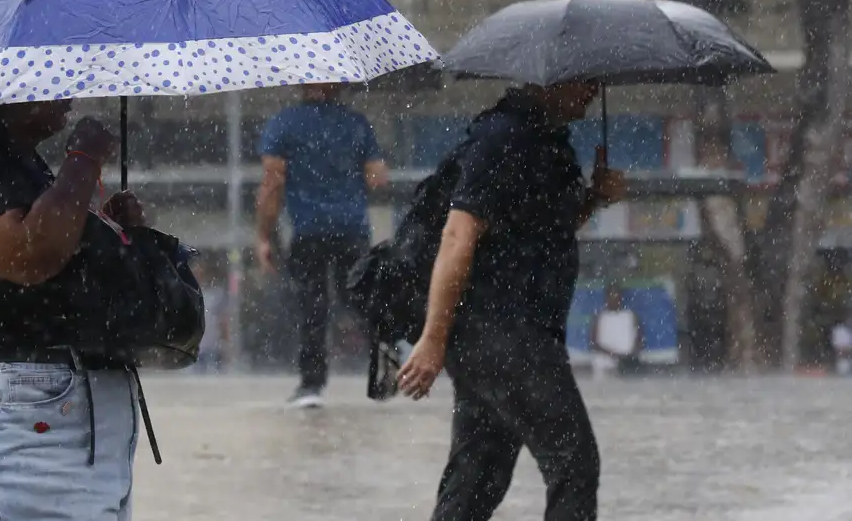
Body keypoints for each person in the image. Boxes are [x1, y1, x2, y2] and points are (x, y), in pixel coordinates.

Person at [0, 91, 160, 521]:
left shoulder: (22, 166)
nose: (69, 93)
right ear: (6, 92)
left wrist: (110, 233)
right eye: (52, 80)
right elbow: (29, 254)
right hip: (21, 418)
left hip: (65, 423)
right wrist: (83, 160)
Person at [397, 82, 626, 521]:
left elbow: (542, 233)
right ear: (548, 80)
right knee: (574, 463)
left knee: (477, 481)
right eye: (584, 79)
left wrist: (594, 198)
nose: (594, 90)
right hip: (504, 334)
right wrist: (432, 339)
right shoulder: (503, 137)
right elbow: (457, 235)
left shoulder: (547, 141)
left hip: (512, 333)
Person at [255, 83, 388, 408]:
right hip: (352, 228)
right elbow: (377, 178)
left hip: (308, 230)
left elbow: (272, 184)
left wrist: (264, 235)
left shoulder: (283, 124)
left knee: (311, 307)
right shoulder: (356, 124)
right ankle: (387, 359)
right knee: (358, 298)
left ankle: (311, 384)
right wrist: (344, 180)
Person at [590, 286, 642, 380]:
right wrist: (613, 354)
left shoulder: (631, 316)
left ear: (621, 297)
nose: (614, 299)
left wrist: (629, 355)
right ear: (606, 298)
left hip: (627, 360)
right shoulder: (600, 317)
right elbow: (594, 343)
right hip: (605, 360)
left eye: (616, 296)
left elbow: (639, 340)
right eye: (611, 296)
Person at [832, 310, 852, 376]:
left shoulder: (846, 330)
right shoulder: (838, 330)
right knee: (842, 357)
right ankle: (842, 370)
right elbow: (836, 341)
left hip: (845, 347)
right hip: (840, 347)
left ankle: (845, 369)